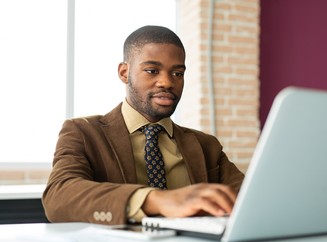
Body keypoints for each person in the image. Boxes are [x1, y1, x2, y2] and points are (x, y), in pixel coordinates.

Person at [42, 25, 244, 225]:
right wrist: (157, 199)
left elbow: (248, 197)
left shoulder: (206, 145)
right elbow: (59, 196)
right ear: (124, 72)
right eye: (152, 70)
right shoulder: (83, 132)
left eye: (177, 74)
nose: (166, 82)